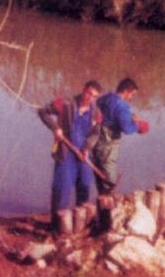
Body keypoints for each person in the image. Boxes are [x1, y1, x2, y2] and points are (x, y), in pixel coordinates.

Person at [38, 79, 103, 230]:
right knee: (62, 189)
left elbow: (95, 134)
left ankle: (80, 227)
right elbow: (42, 111)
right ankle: (56, 227)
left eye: (94, 96)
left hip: (83, 155)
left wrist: (86, 149)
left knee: (85, 188)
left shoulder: (96, 113)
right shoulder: (65, 103)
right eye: (88, 93)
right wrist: (55, 128)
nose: (90, 98)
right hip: (66, 152)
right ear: (83, 89)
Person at [93, 77, 149, 195]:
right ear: (126, 91)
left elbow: (105, 111)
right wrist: (138, 125)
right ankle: (108, 208)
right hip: (108, 145)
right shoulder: (122, 106)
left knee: (99, 175)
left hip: (97, 142)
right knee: (109, 181)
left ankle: (103, 206)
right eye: (132, 94)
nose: (131, 98)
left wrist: (129, 117)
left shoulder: (106, 98)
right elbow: (127, 128)